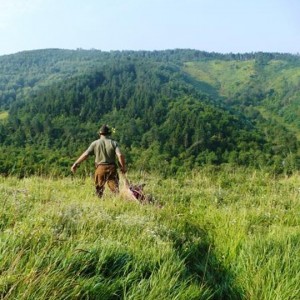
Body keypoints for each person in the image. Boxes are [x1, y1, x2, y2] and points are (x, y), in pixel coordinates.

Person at [71, 124, 126, 198]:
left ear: (100, 134)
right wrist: (122, 167)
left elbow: (85, 154)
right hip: (112, 168)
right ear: (109, 134)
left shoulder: (95, 143)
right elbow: (120, 155)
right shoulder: (113, 143)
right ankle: (116, 203)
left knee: (99, 191)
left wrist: (76, 164)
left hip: (100, 168)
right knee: (115, 191)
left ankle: (100, 203)